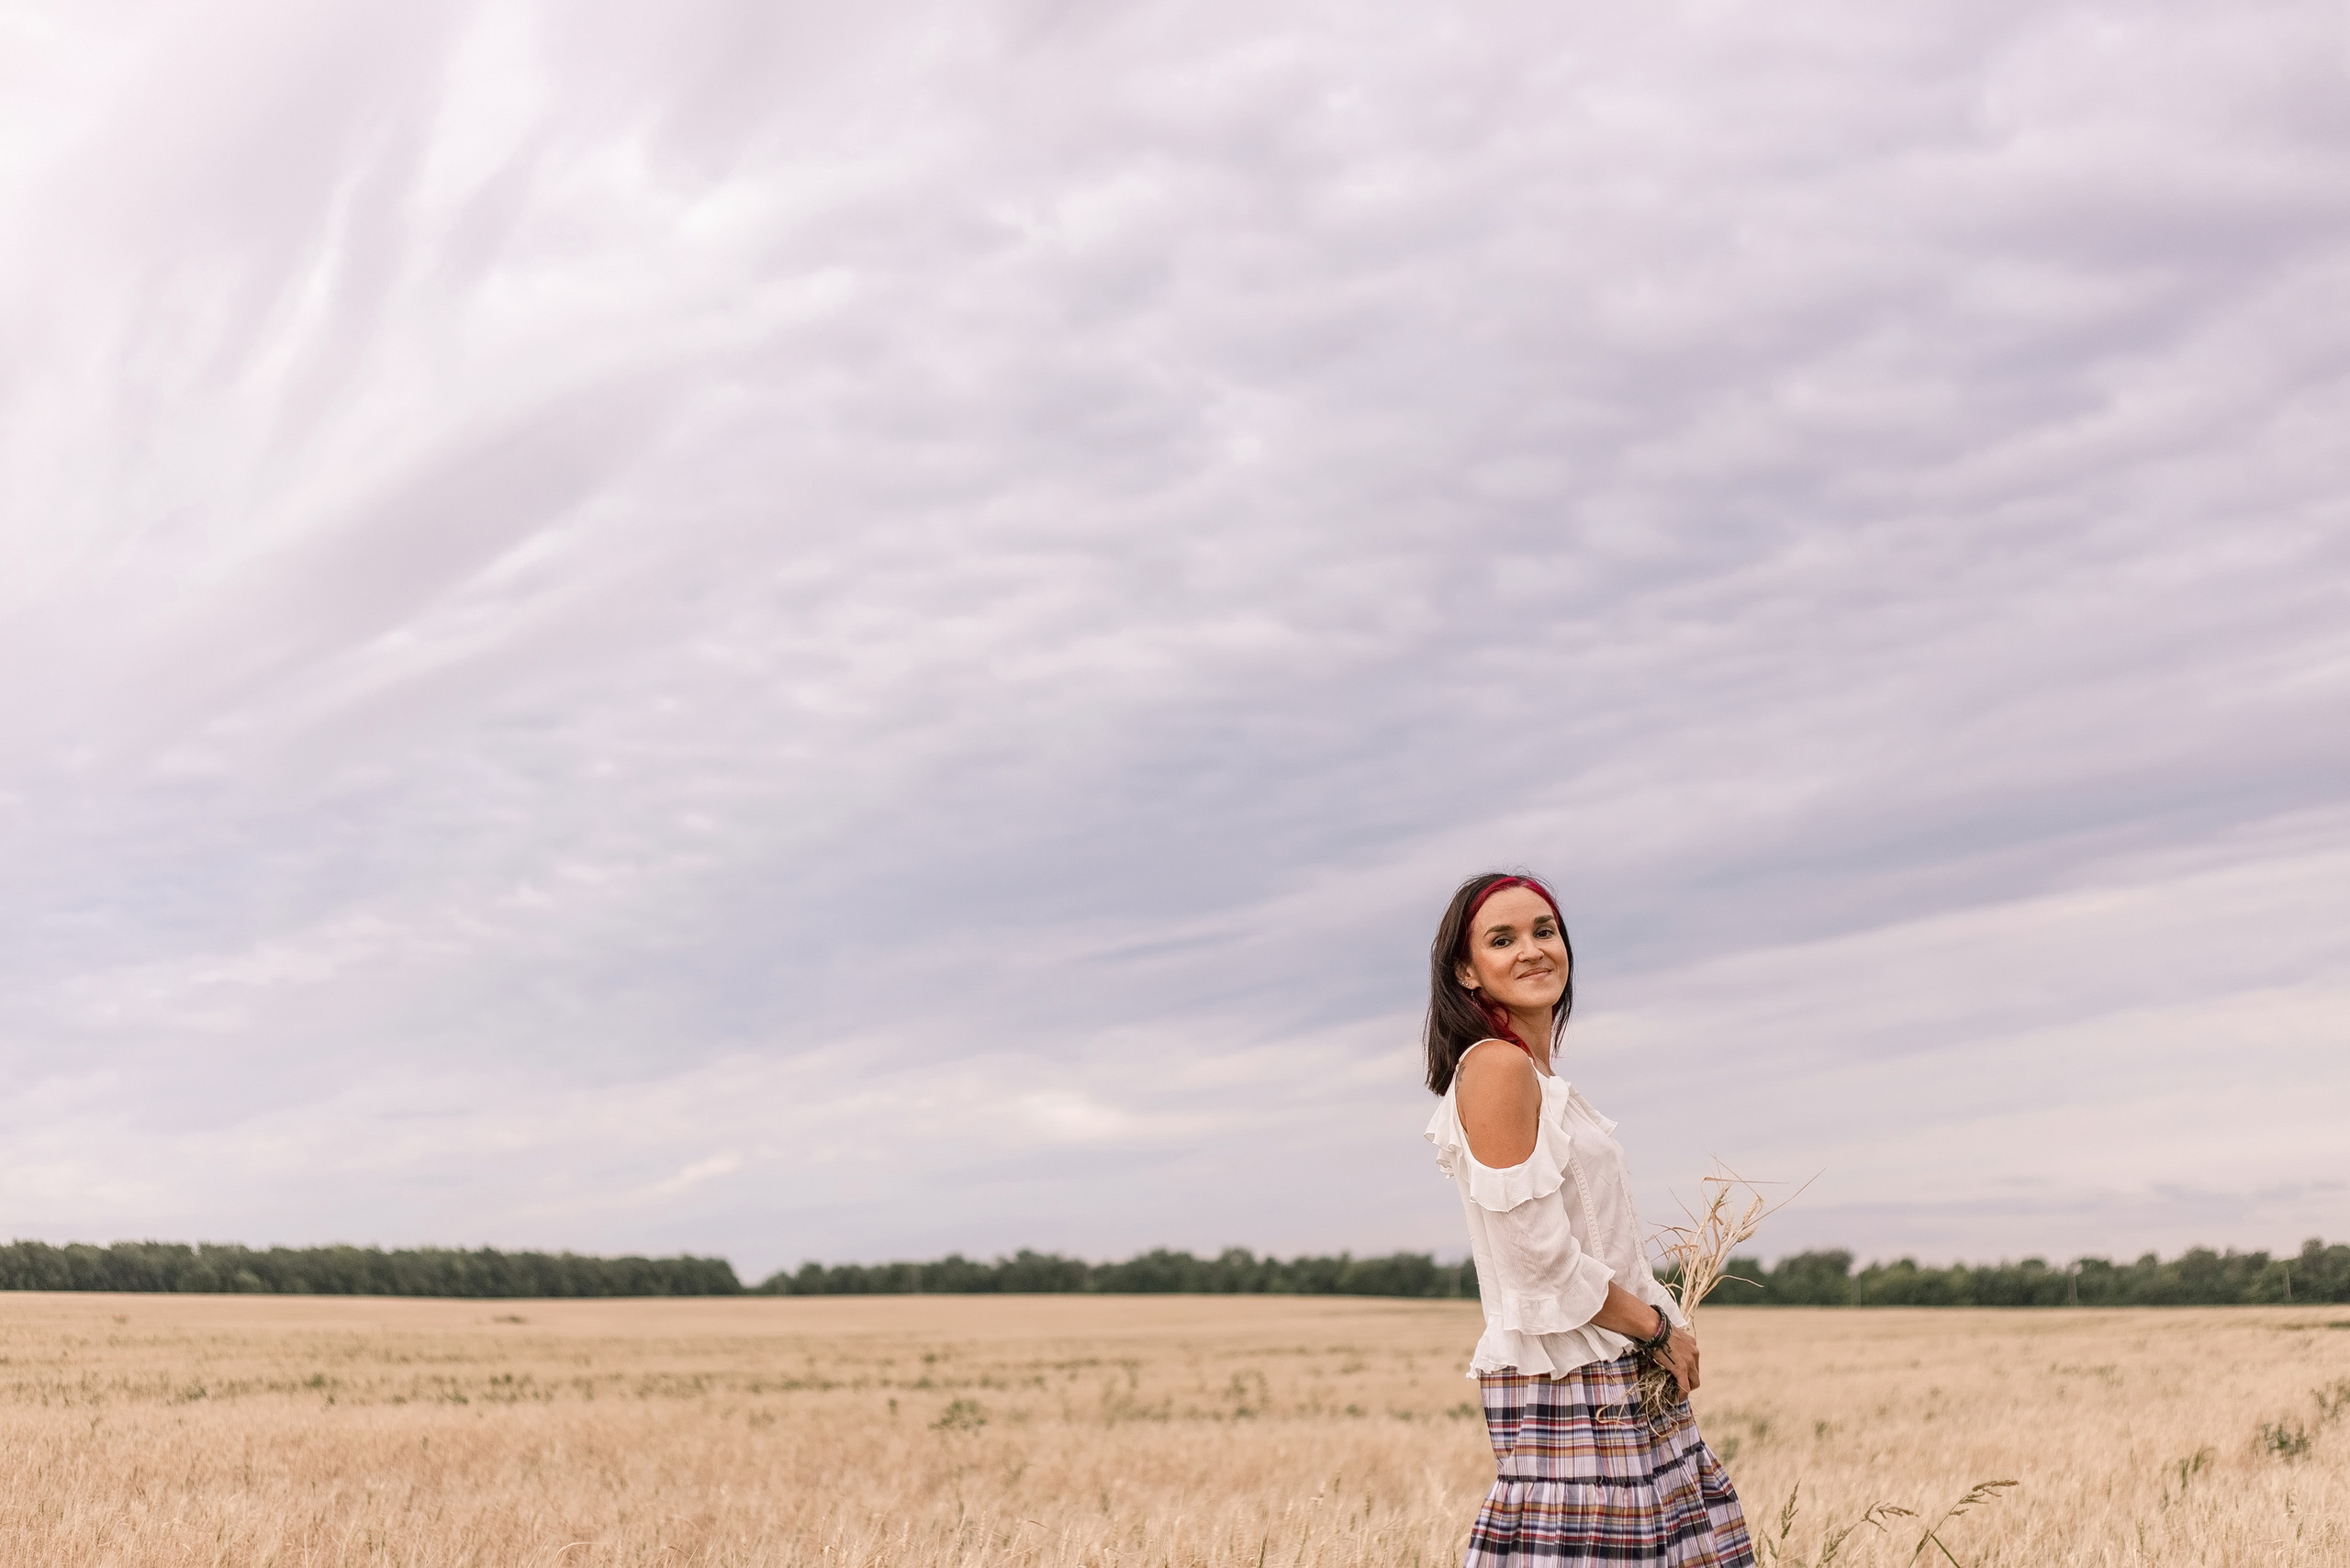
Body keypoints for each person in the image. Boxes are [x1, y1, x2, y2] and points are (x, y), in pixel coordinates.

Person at [1424, 872, 1753, 1568]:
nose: (1533, 950)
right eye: (1502, 939)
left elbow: (1598, 1243)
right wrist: (1655, 1325)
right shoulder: (1497, 1070)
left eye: (1545, 931)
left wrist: (1659, 1324)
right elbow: (1535, 1261)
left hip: (1614, 1369)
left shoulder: (1539, 1078)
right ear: (1466, 970)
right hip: (1571, 1384)